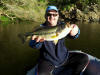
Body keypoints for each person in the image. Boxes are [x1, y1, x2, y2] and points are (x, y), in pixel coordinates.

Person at [29, 6, 89, 75]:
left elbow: (72, 36)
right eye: (49, 14)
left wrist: (76, 32)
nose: (52, 17)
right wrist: (37, 42)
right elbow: (32, 45)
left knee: (84, 58)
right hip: (48, 61)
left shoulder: (62, 25)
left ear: (58, 16)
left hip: (64, 57)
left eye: (54, 14)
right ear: (45, 16)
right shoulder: (40, 28)